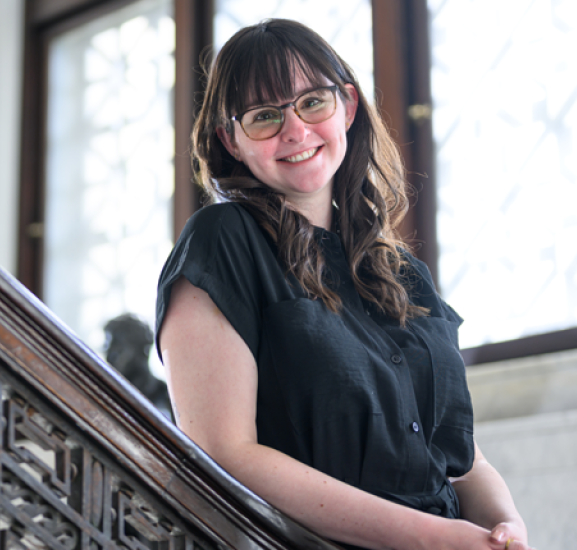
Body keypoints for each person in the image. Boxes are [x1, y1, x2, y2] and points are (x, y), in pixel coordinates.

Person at [156, 19, 532, 550]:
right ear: (230, 140)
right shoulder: (223, 241)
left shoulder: (400, 271)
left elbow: (462, 460)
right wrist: (431, 537)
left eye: (313, 102)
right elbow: (223, 453)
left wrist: (505, 527)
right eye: (264, 116)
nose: (295, 130)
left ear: (348, 108)